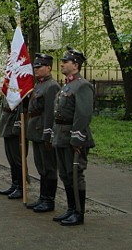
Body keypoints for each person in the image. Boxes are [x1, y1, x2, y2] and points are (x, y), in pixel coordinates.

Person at [52, 46, 95, 226]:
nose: (61, 64)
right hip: (61, 136)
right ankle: (70, 209)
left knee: (75, 174)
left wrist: (76, 138)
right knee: (65, 174)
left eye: (65, 61)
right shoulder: (67, 85)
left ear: (75, 65)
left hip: (73, 136)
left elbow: (83, 114)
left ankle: (79, 212)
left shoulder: (82, 85)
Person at [25, 53, 61, 212]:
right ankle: (42, 197)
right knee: (41, 167)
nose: (36, 69)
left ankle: (49, 200)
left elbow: (50, 113)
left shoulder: (52, 86)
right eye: (35, 67)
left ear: (48, 67)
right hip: (35, 130)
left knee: (49, 168)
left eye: (39, 67)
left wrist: (48, 134)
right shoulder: (39, 85)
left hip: (44, 131)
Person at [0, 95, 27, 199]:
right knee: (11, 158)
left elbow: (22, 109)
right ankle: (14, 184)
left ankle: (21, 187)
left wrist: (17, 127)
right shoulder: (10, 85)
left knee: (17, 159)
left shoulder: (20, 86)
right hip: (7, 125)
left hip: (14, 128)